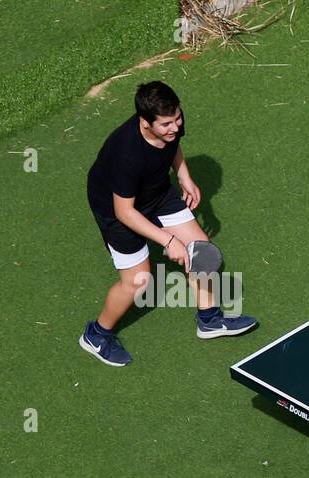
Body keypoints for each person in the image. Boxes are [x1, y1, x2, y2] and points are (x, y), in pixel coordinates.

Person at [82, 81, 256, 366]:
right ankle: (97, 334)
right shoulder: (127, 154)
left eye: (177, 118)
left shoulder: (170, 122)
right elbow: (125, 211)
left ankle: (209, 319)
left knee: (201, 250)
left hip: (156, 190)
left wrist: (184, 175)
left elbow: (173, 146)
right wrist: (167, 240)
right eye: (165, 124)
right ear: (145, 123)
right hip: (117, 209)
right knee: (138, 282)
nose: (174, 127)